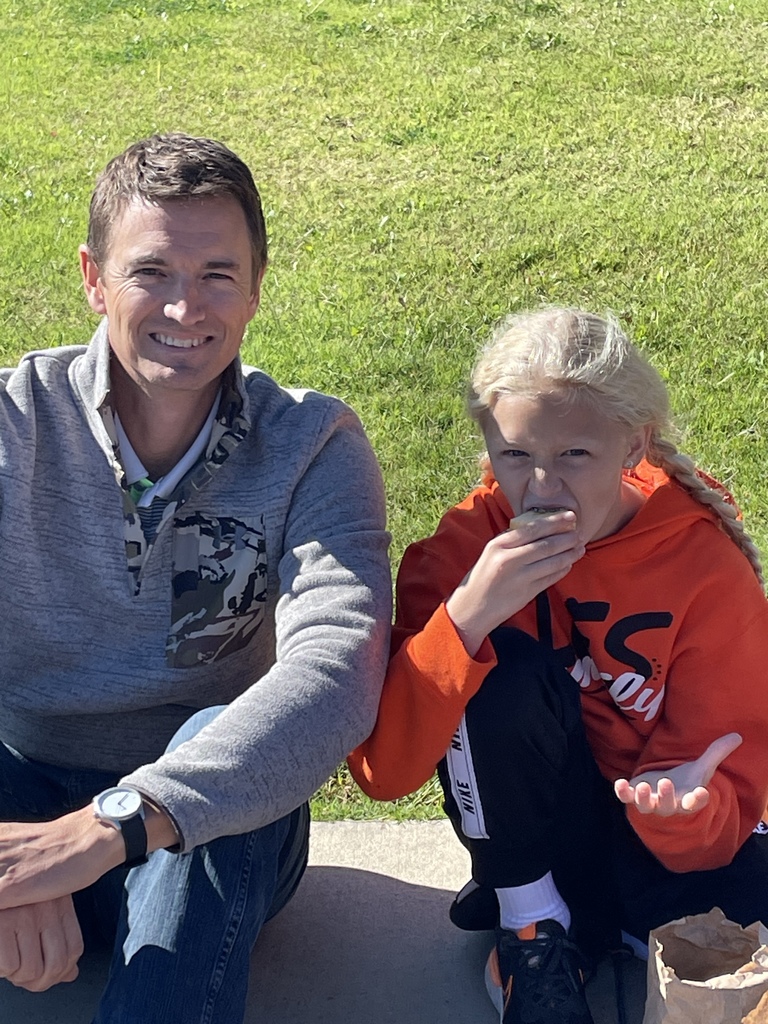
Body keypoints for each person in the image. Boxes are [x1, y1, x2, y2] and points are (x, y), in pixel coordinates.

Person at [0, 132, 391, 1023]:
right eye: (151, 272)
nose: (185, 306)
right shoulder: (13, 424)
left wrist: (113, 825)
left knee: (221, 737)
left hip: (208, 833)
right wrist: (16, 864)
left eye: (218, 273)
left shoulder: (314, 444)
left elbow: (336, 672)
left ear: (256, 286)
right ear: (94, 278)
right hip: (17, 796)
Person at [348, 307, 768, 1024]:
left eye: (575, 454)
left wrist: (680, 812)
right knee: (500, 669)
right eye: (516, 455)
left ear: (633, 444)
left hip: (663, 835)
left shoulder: (701, 564)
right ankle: (531, 928)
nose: (543, 487)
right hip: (538, 834)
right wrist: (466, 618)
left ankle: (604, 924)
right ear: (488, 444)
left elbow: (726, 771)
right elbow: (384, 772)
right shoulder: (462, 552)